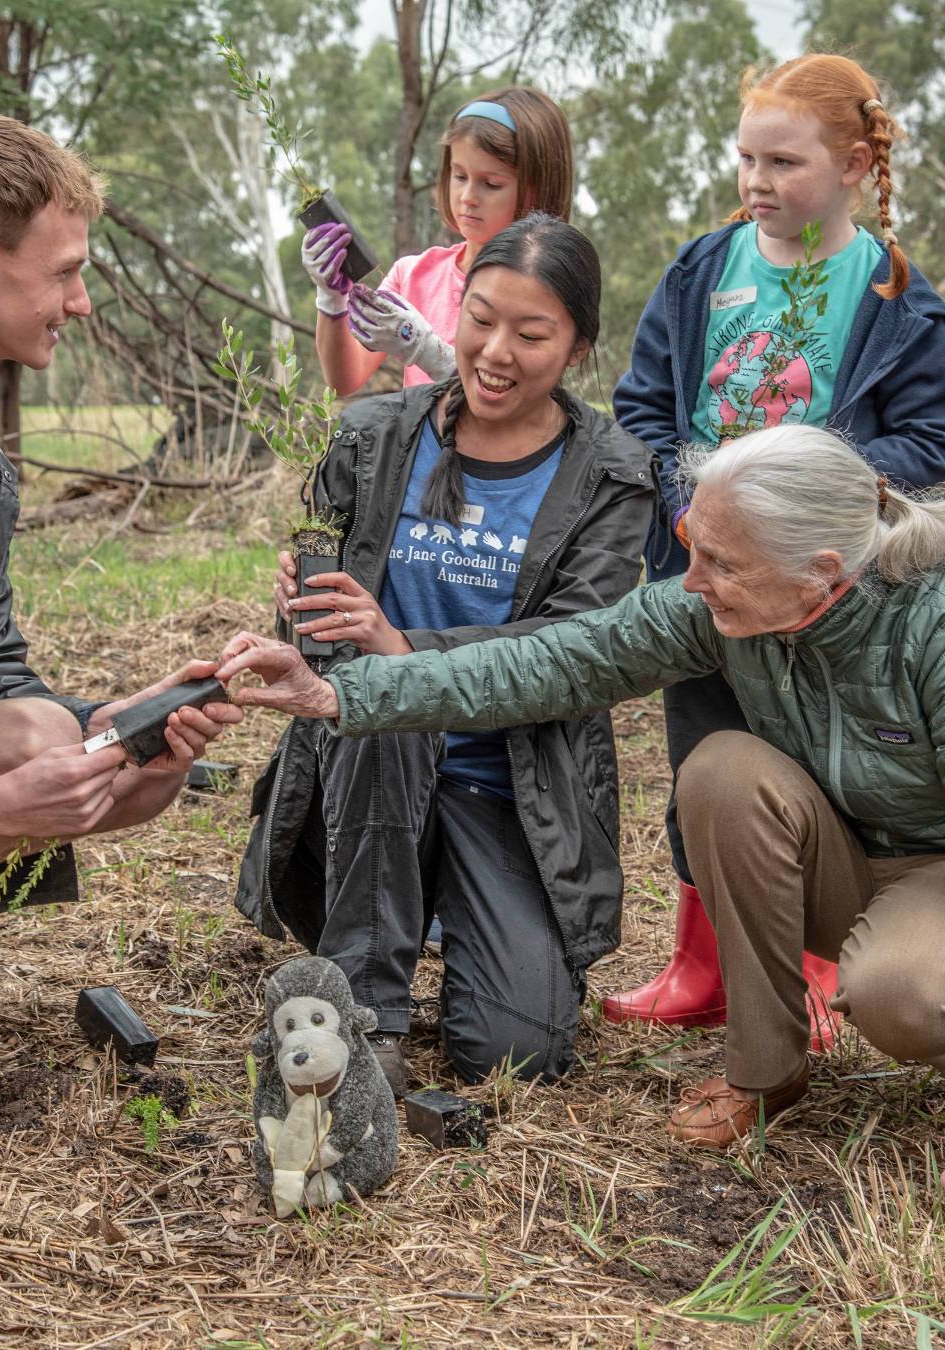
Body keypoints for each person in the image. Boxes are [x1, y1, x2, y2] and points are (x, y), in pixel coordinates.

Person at [219, 424, 945, 1147]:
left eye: (721, 562)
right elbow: (557, 662)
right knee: (724, 771)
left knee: (902, 995)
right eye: (692, 543)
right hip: (847, 860)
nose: (692, 581)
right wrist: (339, 694)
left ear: (817, 571)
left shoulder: (930, 626)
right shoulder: (725, 612)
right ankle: (766, 1073)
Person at [0, 109, 238, 1152]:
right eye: (66, 269)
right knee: (29, 762)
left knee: (79, 757)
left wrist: (113, 724)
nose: (80, 300)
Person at [233, 213, 655, 1096]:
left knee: (517, 1054)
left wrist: (405, 643)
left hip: (512, 785)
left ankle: (460, 917)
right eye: (481, 318)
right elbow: (324, 650)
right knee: (383, 701)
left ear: (578, 346)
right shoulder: (371, 434)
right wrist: (299, 610)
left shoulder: (611, 474)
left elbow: (579, 653)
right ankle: (367, 1010)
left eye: (532, 333)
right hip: (369, 779)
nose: (496, 351)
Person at [608, 53, 945, 1034]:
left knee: (811, 769)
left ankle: (816, 966)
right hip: (703, 567)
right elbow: (641, 410)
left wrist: (795, 494)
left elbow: (928, 445)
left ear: (851, 164)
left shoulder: (897, 300)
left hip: (826, 591)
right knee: (705, 756)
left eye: (784, 163)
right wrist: (693, 506)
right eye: (746, 159)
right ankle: (699, 967)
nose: (757, 183)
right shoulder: (702, 270)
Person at [302, 87, 573, 396]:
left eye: (491, 183)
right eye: (459, 176)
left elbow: (518, 407)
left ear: (537, 189)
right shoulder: (414, 275)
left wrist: (429, 353)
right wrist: (331, 299)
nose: (468, 197)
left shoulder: (545, 289)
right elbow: (344, 380)